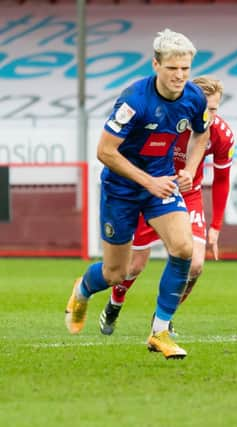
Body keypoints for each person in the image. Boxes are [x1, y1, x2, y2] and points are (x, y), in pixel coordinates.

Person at [64, 28, 211, 359]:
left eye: (185, 69)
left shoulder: (194, 97)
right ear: (156, 64)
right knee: (118, 272)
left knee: (184, 249)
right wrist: (147, 182)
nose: (180, 76)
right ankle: (83, 290)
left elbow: (202, 135)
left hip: (160, 183)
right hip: (122, 188)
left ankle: (159, 332)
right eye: (173, 68)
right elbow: (105, 151)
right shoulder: (134, 101)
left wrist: (188, 168)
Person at [97, 76, 234, 337]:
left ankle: (163, 319)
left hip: (188, 194)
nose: (209, 115)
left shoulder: (221, 135)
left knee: (195, 265)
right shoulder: (169, 120)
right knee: (133, 266)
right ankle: (115, 304)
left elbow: (222, 180)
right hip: (151, 190)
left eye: (215, 109)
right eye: (206, 108)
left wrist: (215, 226)